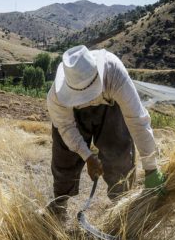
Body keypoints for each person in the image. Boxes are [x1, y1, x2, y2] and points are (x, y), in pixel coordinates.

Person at [46, 45, 165, 220]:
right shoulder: (56, 96)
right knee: (64, 156)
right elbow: (65, 127)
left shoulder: (114, 72)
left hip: (110, 106)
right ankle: (60, 204)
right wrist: (87, 156)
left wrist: (151, 168)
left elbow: (138, 121)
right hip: (74, 115)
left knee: (119, 155)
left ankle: (121, 207)